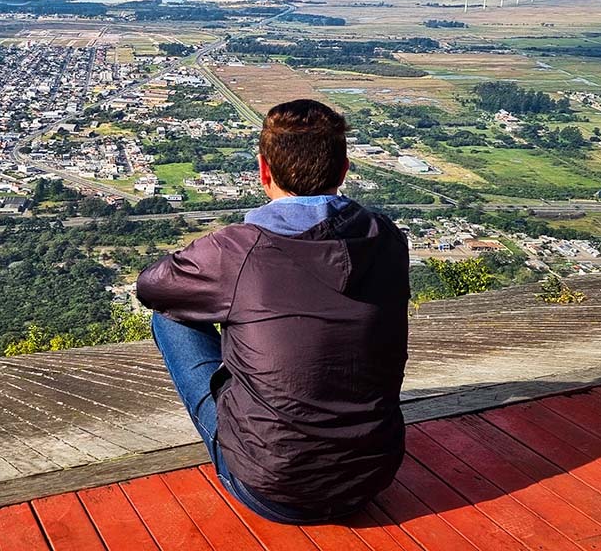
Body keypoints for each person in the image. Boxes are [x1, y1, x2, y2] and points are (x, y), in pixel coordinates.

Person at [136, 98, 409, 524]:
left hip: (271, 488)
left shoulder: (238, 250)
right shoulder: (387, 238)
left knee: (169, 316)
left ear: (264, 171)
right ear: (343, 170)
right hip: (371, 477)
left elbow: (152, 287)